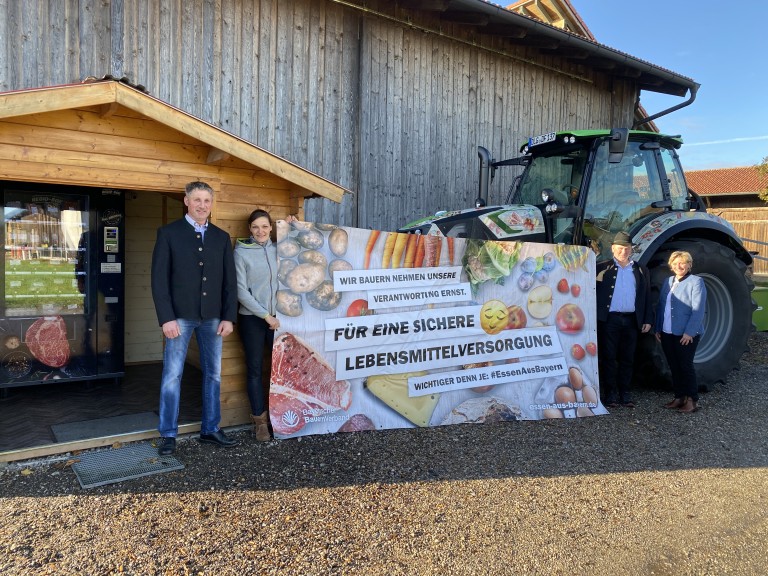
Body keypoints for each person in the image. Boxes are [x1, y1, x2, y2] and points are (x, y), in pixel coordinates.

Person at [151, 181, 239, 456]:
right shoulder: (168, 233)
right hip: (179, 317)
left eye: (207, 201)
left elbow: (229, 281)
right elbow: (159, 280)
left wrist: (228, 316)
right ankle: (168, 433)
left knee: (213, 374)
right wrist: (166, 318)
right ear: (186, 201)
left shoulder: (221, 237)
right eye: (197, 200)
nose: (202, 205)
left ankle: (210, 429)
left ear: (212, 204)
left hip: (213, 318)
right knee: (172, 375)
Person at [233, 209, 289, 441]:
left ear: (271, 228)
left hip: (280, 318)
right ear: (250, 229)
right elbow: (241, 292)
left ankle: (283, 419)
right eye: (256, 227)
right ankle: (260, 423)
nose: (261, 231)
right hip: (253, 320)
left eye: (265, 226)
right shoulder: (240, 253)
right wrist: (266, 316)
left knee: (282, 371)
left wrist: (294, 225)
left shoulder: (279, 249)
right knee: (255, 370)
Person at [595, 231, 653, 408]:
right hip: (609, 320)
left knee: (628, 358)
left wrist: (647, 319)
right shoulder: (601, 268)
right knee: (609, 357)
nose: (623, 251)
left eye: (627, 248)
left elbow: (646, 297)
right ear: (613, 249)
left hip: (631, 320)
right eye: (620, 248)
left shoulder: (641, 270)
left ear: (631, 250)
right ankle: (610, 394)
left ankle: (625, 393)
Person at [655, 251, 707, 413]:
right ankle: (679, 397)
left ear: (689, 265)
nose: (679, 266)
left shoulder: (696, 282)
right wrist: (658, 328)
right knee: (674, 365)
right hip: (667, 331)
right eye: (676, 263)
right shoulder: (668, 281)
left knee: (685, 366)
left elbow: (698, 310)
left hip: (686, 334)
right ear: (671, 265)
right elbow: (661, 306)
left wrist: (689, 332)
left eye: (683, 263)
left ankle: (692, 400)